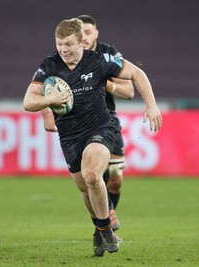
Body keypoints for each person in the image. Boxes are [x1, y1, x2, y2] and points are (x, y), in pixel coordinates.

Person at [24, 19, 162, 256]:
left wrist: (152, 106)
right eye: (59, 44)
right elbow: (28, 102)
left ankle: (106, 229)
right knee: (85, 189)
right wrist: (50, 100)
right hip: (69, 136)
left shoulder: (99, 60)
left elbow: (137, 73)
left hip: (100, 129)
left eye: (69, 44)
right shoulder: (49, 66)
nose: (64, 50)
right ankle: (99, 229)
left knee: (91, 173)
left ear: (81, 43)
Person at [41, 14, 132, 235]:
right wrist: (47, 114)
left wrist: (102, 81)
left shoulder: (106, 55)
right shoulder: (61, 59)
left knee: (115, 181)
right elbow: (44, 85)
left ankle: (107, 216)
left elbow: (129, 92)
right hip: (77, 125)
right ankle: (103, 225)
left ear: (94, 34)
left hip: (106, 119)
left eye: (89, 32)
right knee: (92, 177)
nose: (85, 38)